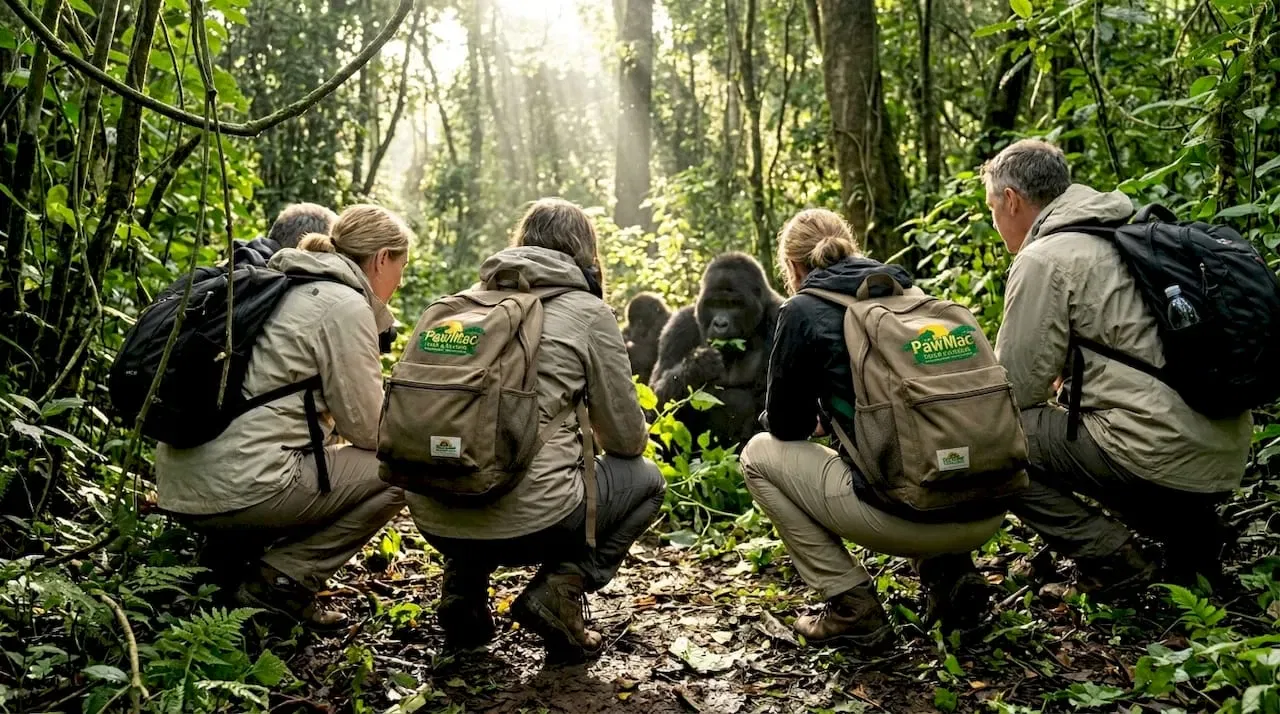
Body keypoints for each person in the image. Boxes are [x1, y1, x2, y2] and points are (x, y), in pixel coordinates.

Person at [984, 139, 1252, 591]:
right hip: (1224, 456)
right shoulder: (1126, 231)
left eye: (992, 208)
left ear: (1010, 200)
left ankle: (1112, 557)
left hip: (1156, 454)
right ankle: (1190, 536)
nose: (994, 223)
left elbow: (1013, 391)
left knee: (989, 440)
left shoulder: (1045, 258)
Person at [406, 198, 665, 663]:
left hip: (433, 517)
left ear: (520, 244)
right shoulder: (587, 312)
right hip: (534, 523)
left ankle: (463, 590)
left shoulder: (459, 306)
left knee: (467, 450)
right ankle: (561, 589)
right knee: (646, 481)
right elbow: (627, 441)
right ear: (586, 256)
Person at [740, 209, 1006, 649]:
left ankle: (851, 606)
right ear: (852, 247)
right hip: (989, 506)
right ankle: (952, 576)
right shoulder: (912, 294)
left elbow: (787, 428)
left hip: (907, 517)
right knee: (931, 440)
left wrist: (821, 417)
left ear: (793, 267)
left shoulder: (803, 310)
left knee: (758, 454)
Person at [155, 204, 412, 627]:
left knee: (290, 451)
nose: (398, 284)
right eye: (399, 270)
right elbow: (371, 431)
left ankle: (225, 560)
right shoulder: (343, 305)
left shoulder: (278, 282)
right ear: (383, 258)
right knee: (403, 471)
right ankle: (281, 583)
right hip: (241, 489)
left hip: (179, 481)